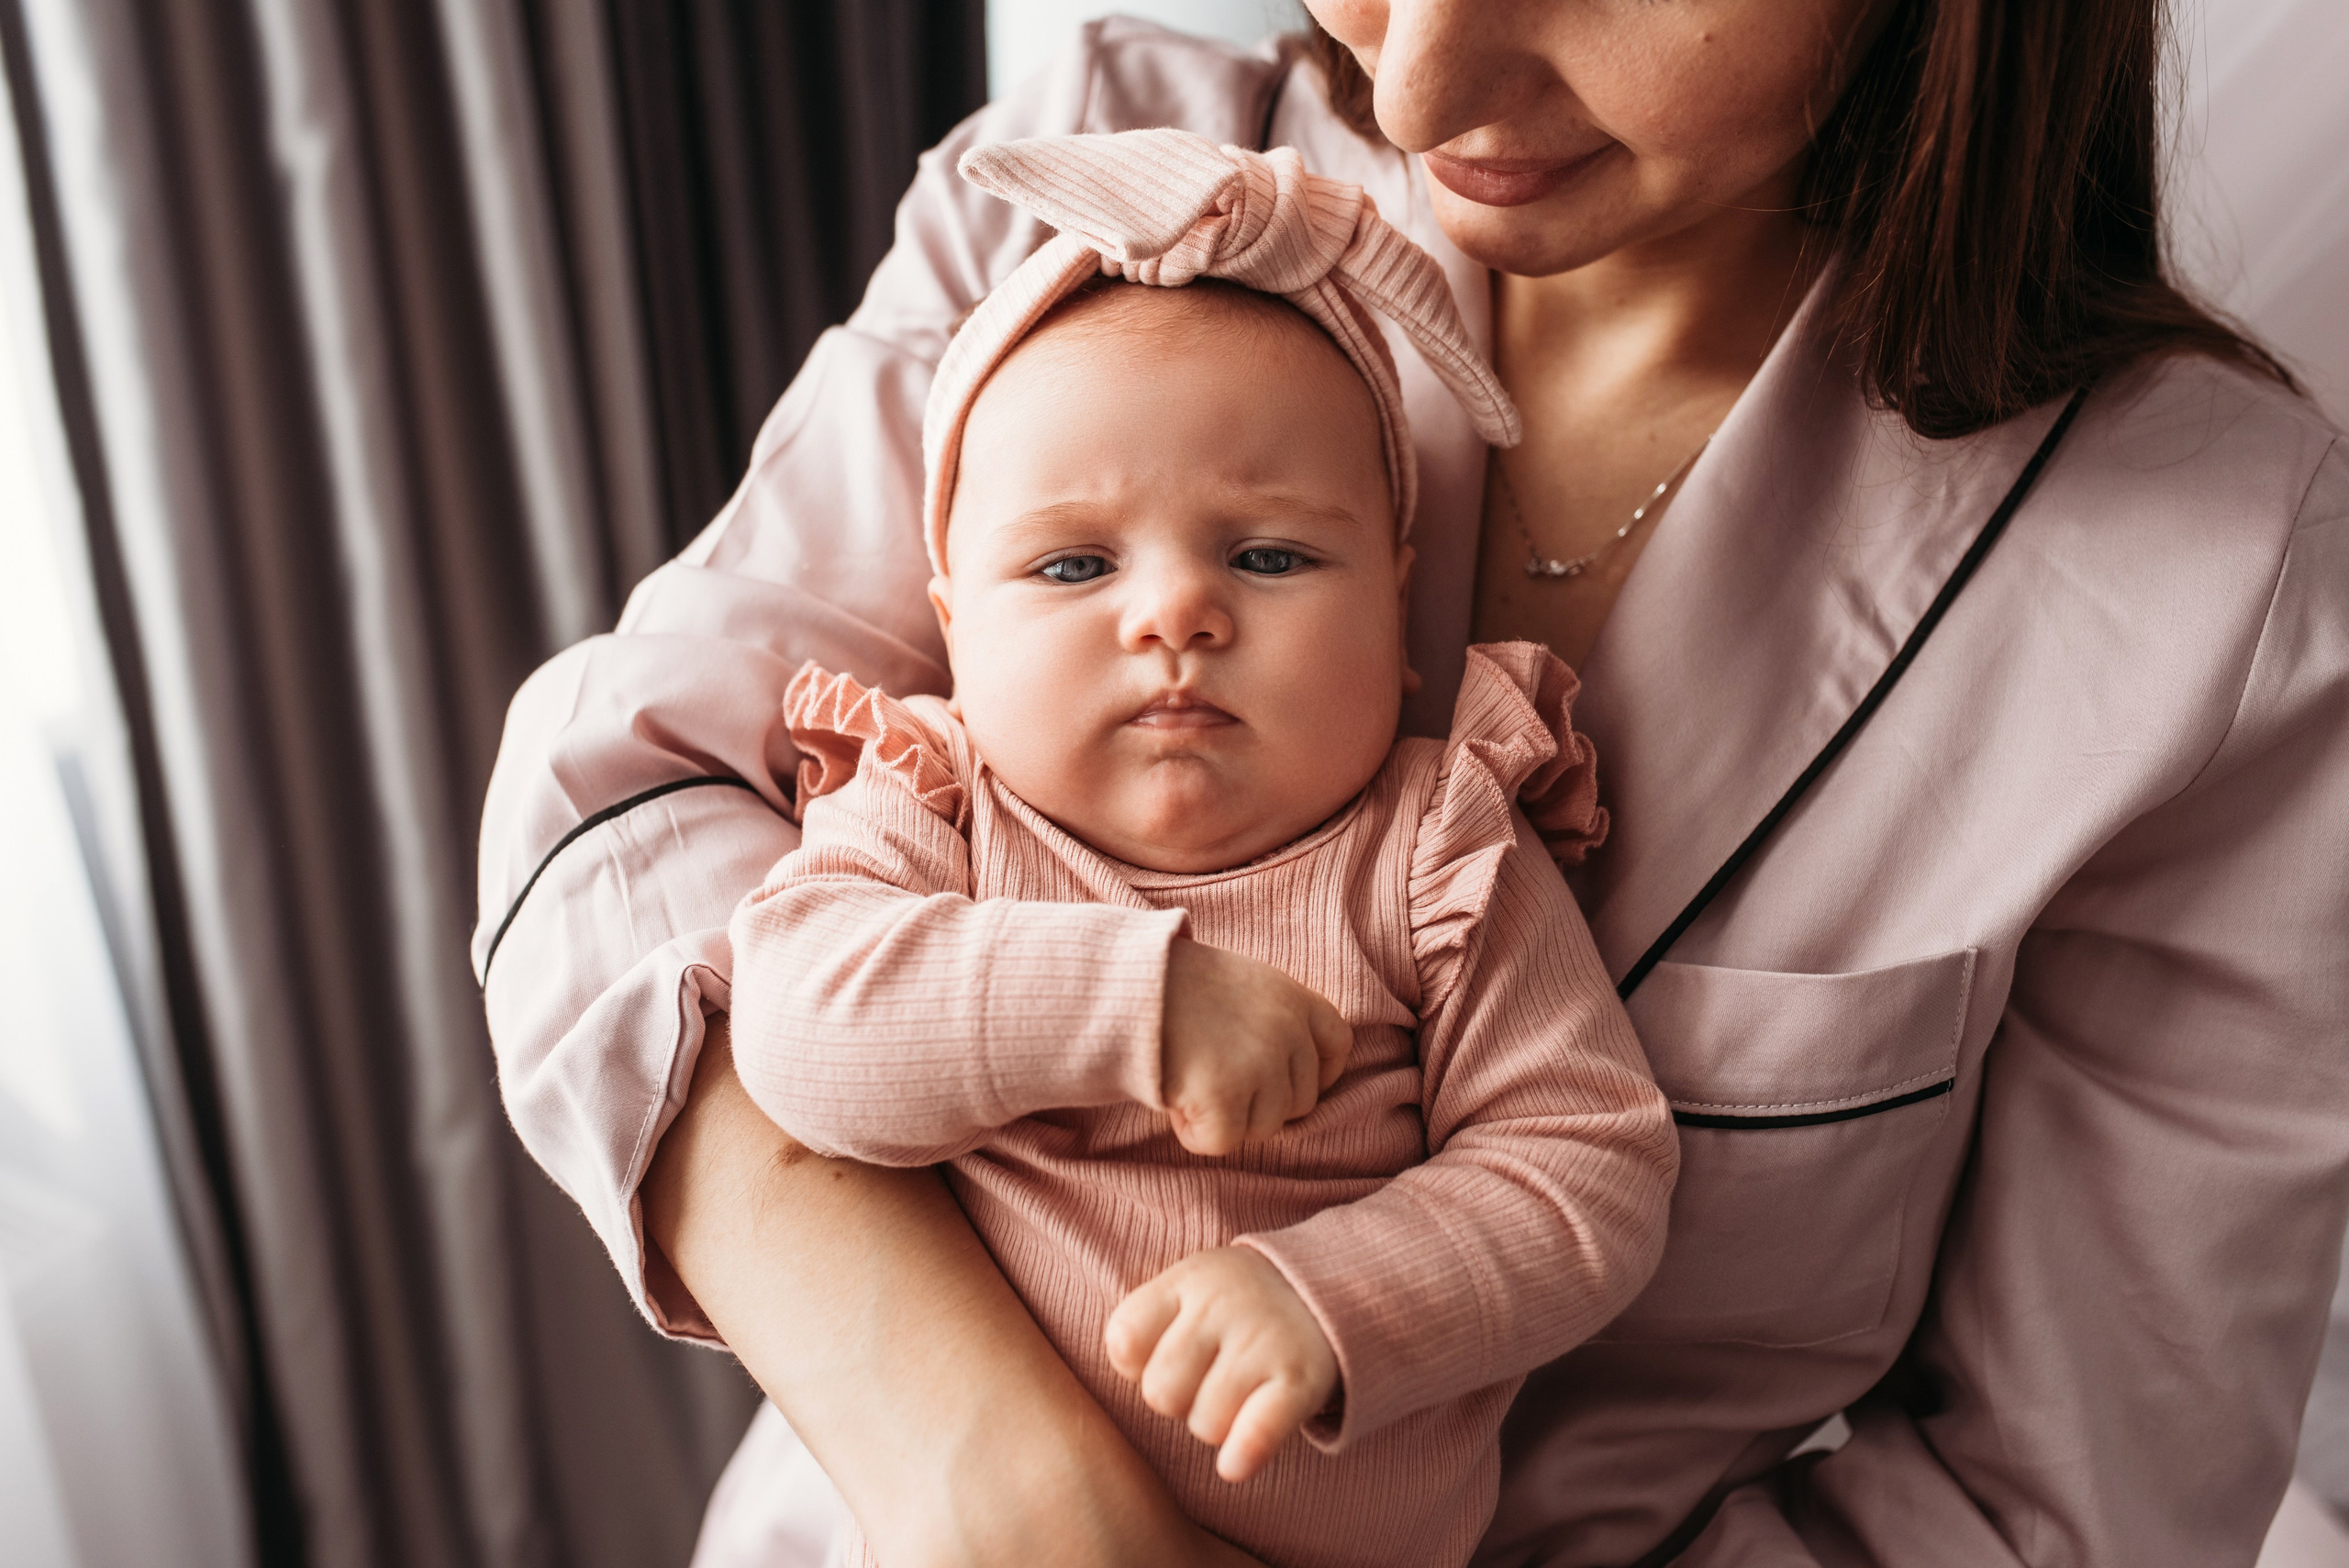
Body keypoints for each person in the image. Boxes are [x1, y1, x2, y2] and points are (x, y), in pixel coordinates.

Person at [473, 6, 2349, 1564]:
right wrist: (1003, 1480)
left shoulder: (2214, 574)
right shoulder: (1109, 188)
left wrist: (1355, 1304)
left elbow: (2056, 1507)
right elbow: (623, 815)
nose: (1420, 83)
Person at [723, 127, 1677, 1568]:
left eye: (1269, 555)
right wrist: (1128, 1002)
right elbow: (794, 1027)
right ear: (954, 626)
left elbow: (1587, 1164)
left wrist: (1335, 1294)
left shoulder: (1437, 849)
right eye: (1073, 563)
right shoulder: (939, 808)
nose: (1175, 612)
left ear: (1398, 607)